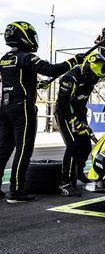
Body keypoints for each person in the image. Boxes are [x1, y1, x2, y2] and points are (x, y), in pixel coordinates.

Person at [0, 21, 84, 203]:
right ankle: (15, 191)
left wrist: (37, 85)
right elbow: (51, 70)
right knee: (24, 149)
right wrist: (74, 61)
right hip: (22, 108)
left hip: (5, 107)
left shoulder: (5, 58)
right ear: (24, 36)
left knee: (4, 149)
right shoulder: (27, 57)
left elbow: (14, 80)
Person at [55, 32, 105, 197]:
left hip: (80, 112)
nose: (94, 80)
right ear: (86, 68)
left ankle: (79, 173)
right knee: (72, 145)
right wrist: (75, 121)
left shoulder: (94, 73)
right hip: (65, 113)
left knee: (85, 145)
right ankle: (65, 183)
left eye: (97, 77)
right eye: (92, 76)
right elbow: (62, 105)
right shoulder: (70, 79)